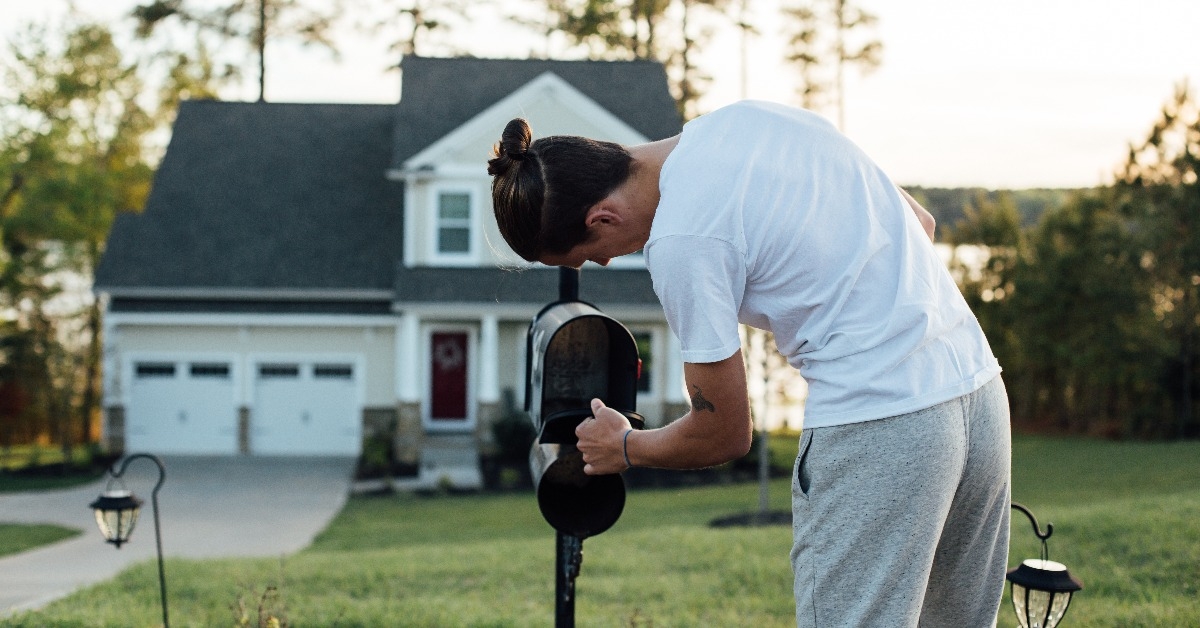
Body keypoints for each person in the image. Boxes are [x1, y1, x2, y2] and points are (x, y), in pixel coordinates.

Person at [487, 100, 1010, 628]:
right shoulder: (752, 119)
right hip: (979, 391)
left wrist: (623, 446)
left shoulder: (680, 240)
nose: (604, 262)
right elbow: (920, 221)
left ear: (601, 217)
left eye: (592, 254)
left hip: (879, 425)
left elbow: (725, 433)